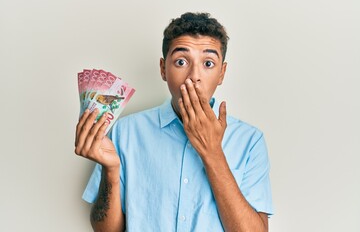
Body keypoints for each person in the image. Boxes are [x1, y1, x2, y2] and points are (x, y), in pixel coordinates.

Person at [75, 12, 273, 232]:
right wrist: (110, 170)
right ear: (163, 69)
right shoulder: (125, 132)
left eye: (208, 63)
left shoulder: (250, 141)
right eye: (181, 61)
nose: (194, 76)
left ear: (222, 74)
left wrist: (212, 153)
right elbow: (106, 230)